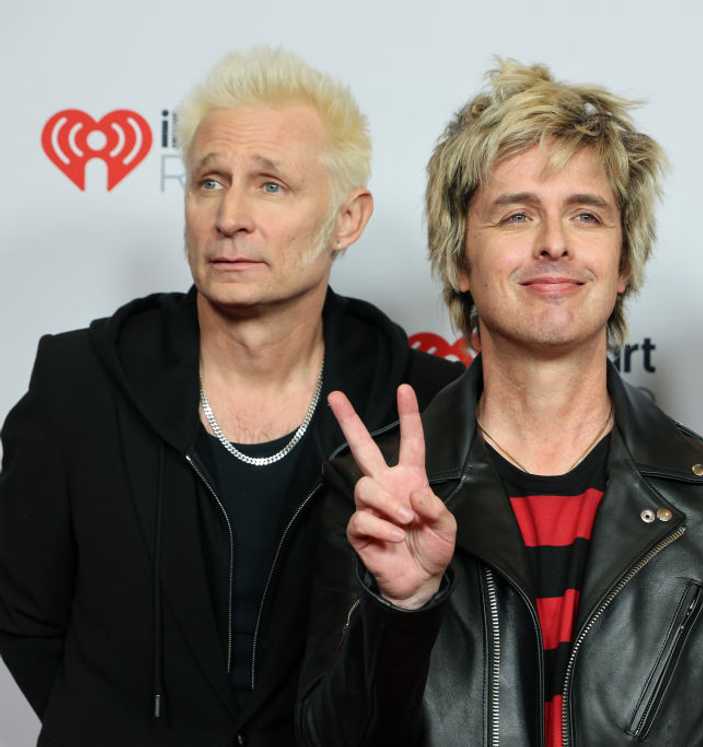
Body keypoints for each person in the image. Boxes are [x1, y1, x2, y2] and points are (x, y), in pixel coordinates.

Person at [295, 61, 703, 746]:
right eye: (517, 214)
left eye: (585, 214)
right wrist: (402, 608)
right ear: (460, 261)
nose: (554, 242)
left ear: (623, 262)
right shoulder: (371, 488)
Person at [0, 47, 461, 746]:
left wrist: (409, 598)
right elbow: (24, 617)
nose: (229, 216)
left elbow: (431, 672)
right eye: (210, 181)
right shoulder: (80, 383)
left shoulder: (420, 406)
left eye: (271, 186)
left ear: (347, 218)